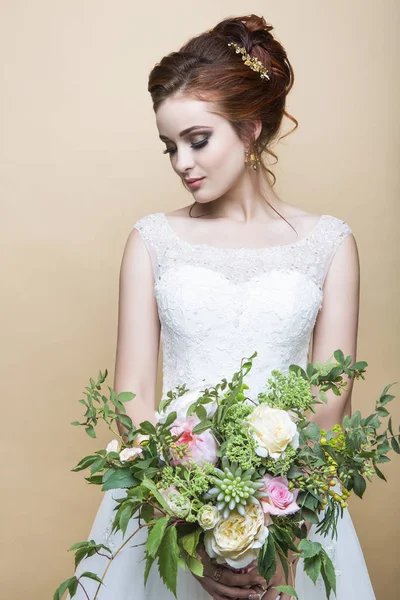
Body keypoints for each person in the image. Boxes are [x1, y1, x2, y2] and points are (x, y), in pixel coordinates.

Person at [67, 14, 377, 600]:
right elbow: (131, 397)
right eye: (170, 146)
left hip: (291, 506)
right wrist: (191, 524)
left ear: (251, 128)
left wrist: (279, 532)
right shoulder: (151, 240)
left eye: (198, 139)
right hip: (170, 503)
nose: (182, 161)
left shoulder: (329, 244)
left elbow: (332, 403)